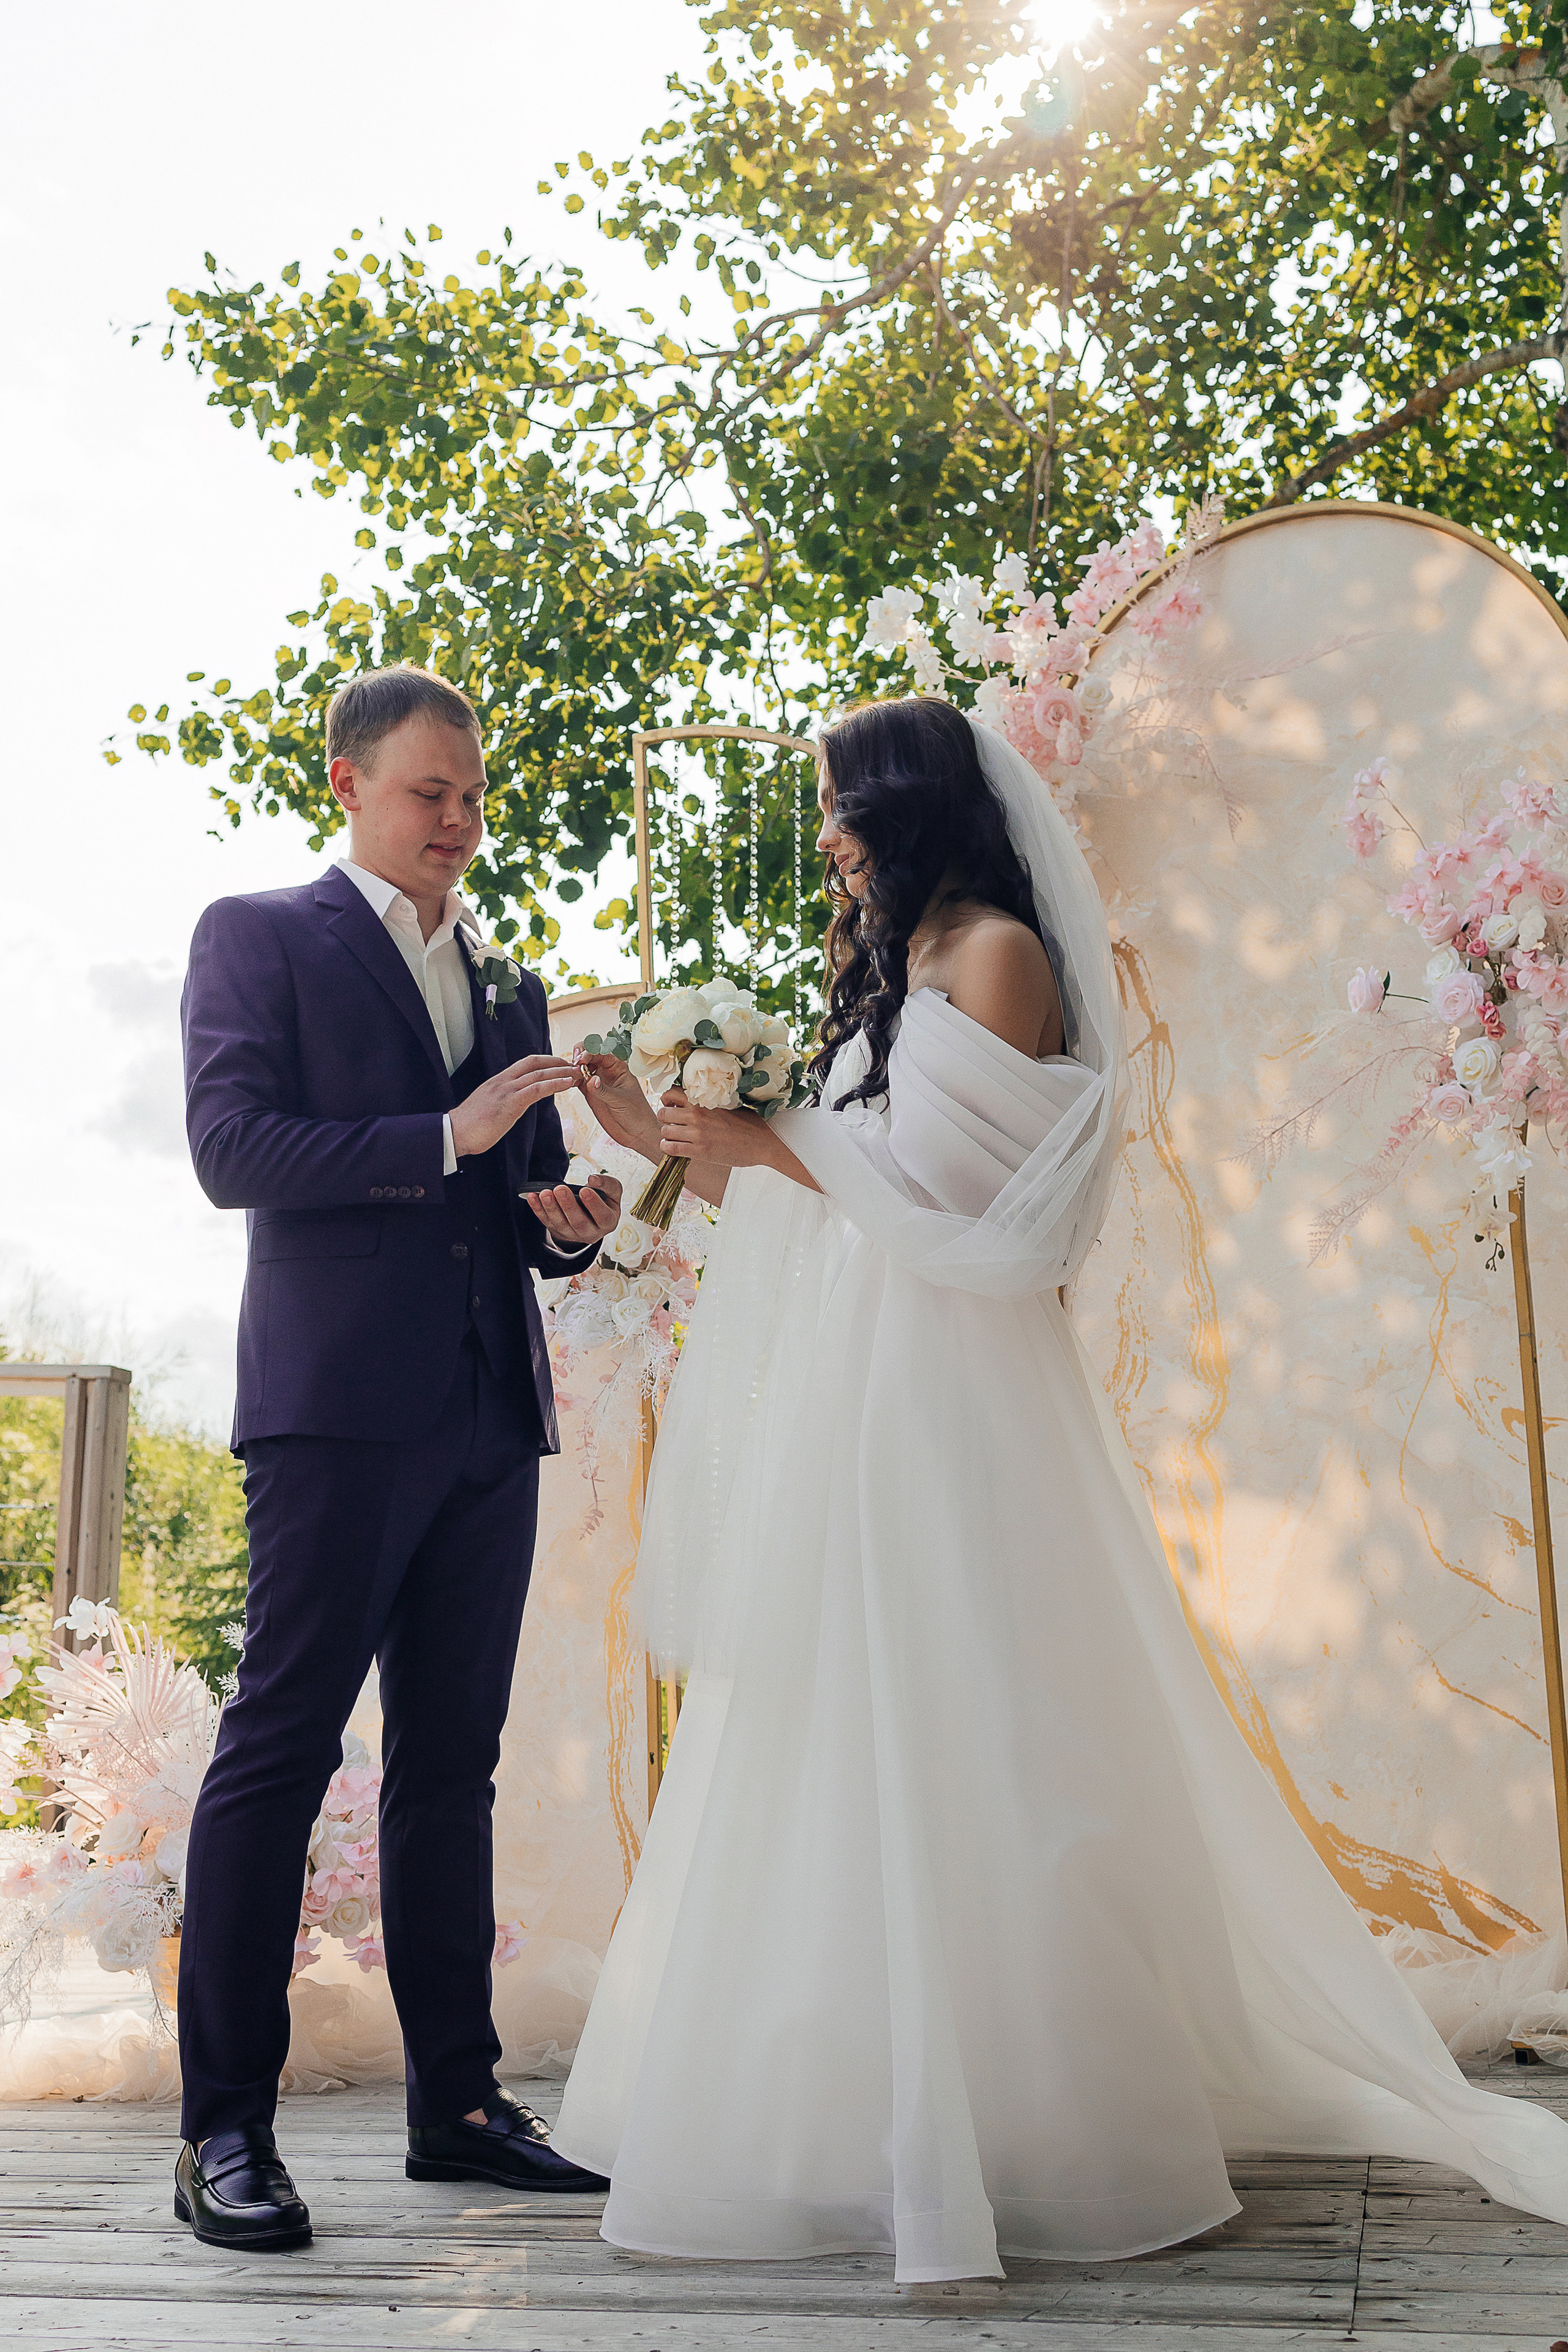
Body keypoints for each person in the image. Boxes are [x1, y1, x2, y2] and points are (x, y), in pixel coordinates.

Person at [552, 695, 1568, 2283]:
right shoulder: (892, 975)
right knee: (844, 1716)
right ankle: (854, 2110)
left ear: (913, 807)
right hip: (869, 1375)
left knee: (980, 1709)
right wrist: (699, 1144)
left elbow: (965, 1197)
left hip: (955, 1387)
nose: (827, 834)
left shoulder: (997, 956)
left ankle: (1036, 2120)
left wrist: (775, 1139)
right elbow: (853, 1183)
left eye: (842, 805)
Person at [176, 665, 617, 2251]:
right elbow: (233, 1153)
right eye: (433, 792)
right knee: (280, 1751)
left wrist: (570, 1224)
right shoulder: (255, 938)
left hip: (492, 1414)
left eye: (476, 796)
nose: (461, 821)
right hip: (334, 1411)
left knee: (454, 1767)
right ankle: (223, 2130)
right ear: (350, 784)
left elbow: (527, 1188)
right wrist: (451, 1134)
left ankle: (462, 2108)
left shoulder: (507, 984)